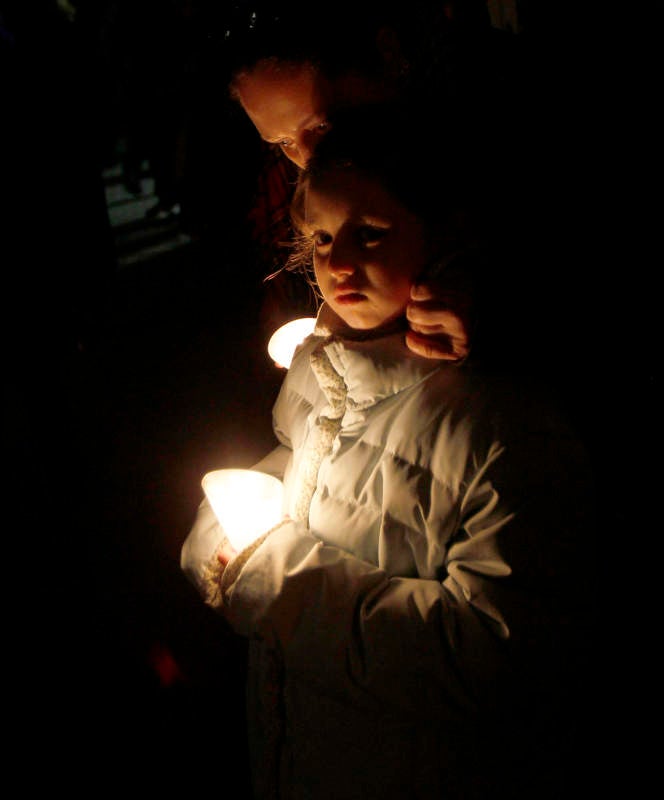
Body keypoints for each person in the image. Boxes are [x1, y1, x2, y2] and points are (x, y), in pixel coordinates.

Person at [181, 101, 597, 799]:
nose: (336, 263)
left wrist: (267, 578)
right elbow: (311, 466)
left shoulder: (503, 425)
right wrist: (219, 532)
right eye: (318, 239)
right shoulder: (321, 369)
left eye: (369, 235)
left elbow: (487, 661)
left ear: (443, 237)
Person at [200, 0, 518, 361]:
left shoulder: (495, 117)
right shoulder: (295, 188)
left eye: (322, 125)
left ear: (388, 53)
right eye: (283, 143)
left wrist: (485, 302)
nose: (308, 160)